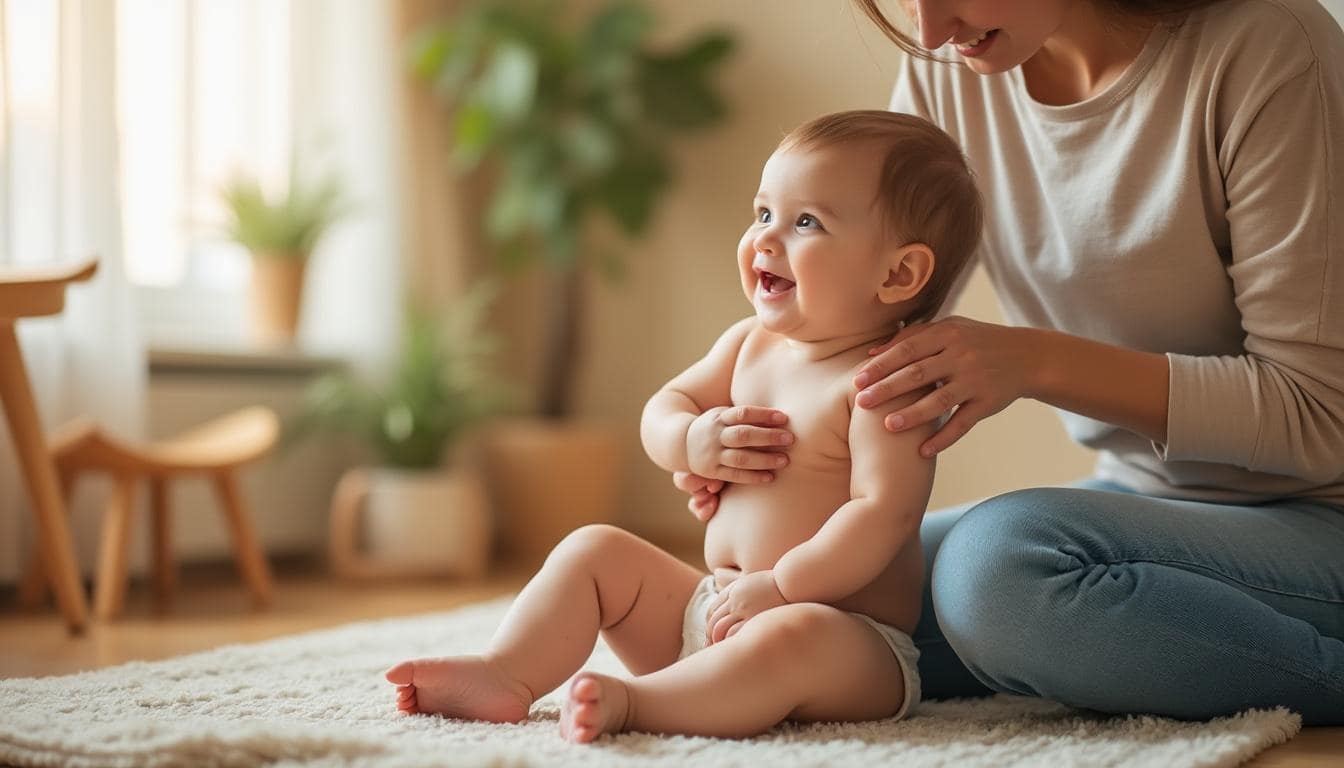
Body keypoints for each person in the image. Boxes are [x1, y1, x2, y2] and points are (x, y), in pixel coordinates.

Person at [678, 0, 1344, 725]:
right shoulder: (958, 66)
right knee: (813, 597)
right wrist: (752, 452)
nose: (930, 32)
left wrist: (1036, 362)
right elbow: (871, 308)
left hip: (1318, 519)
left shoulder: (1268, 50)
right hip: (1132, 506)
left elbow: (1321, 417)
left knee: (998, 571)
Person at [384, 110, 983, 742]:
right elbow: (665, 406)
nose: (766, 240)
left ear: (897, 275)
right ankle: (507, 670)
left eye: (806, 222)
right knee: (595, 549)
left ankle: (642, 705)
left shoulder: (885, 385)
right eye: (762, 214)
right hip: (714, 608)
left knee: (792, 636)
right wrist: (691, 442)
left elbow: (882, 514)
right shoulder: (747, 344)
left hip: (844, 642)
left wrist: (782, 587)